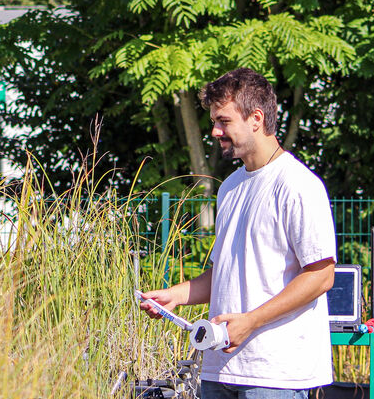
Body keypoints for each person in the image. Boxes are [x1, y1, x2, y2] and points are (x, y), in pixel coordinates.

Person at [139, 68, 336, 398]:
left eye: (223, 121)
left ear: (256, 118)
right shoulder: (230, 187)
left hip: (274, 376)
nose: (215, 131)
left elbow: (321, 276)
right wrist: (174, 295)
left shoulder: (298, 185)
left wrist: (252, 321)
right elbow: (223, 275)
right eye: (214, 122)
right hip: (220, 367)